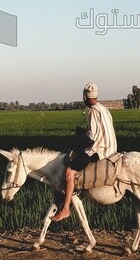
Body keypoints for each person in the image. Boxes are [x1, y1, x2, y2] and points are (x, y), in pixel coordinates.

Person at [51, 82, 118, 222]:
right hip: (112, 148)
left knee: (69, 172)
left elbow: (92, 137)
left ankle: (65, 209)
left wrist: (82, 137)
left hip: (100, 150)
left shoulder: (92, 111)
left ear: (84, 97)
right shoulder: (104, 109)